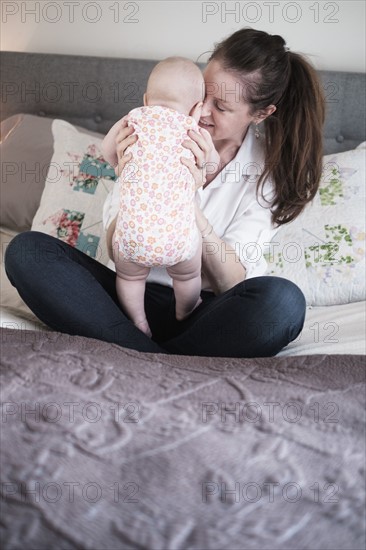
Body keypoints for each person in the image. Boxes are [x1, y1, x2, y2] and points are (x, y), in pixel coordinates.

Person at [5, 28, 325, 358]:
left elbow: (232, 282)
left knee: (283, 303)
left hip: (203, 313)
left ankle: (133, 355)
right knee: (27, 252)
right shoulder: (151, 132)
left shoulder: (266, 169)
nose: (200, 112)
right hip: (125, 302)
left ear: (260, 114)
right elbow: (118, 252)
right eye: (203, 94)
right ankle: (156, 357)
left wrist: (188, 200)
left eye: (221, 107)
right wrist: (130, 180)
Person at [101, 57, 219, 337]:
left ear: (145, 99)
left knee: (129, 276)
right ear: (197, 108)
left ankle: (138, 322)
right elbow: (210, 166)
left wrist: (121, 165)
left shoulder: (132, 120)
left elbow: (108, 151)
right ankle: (186, 310)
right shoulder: (195, 131)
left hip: (131, 236)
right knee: (189, 274)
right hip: (176, 238)